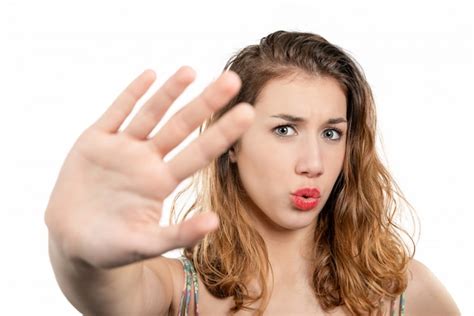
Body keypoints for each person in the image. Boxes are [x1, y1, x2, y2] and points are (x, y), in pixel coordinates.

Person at [45, 31, 460, 315]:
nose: (313, 162)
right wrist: (75, 252)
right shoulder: (178, 294)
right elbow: (109, 294)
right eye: (285, 129)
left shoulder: (402, 293)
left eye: (332, 132)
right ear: (232, 145)